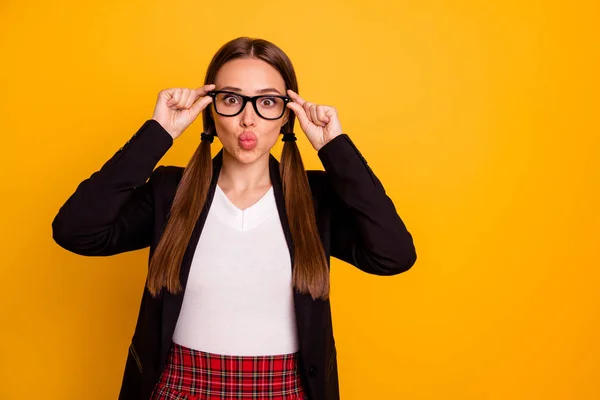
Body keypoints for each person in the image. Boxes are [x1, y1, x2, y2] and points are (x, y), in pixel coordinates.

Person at [52, 37, 417, 400]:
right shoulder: (171, 191)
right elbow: (76, 231)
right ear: (210, 111)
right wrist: (159, 132)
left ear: (288, 114)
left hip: (286, 391)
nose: (248, 119)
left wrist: (333, 146)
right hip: (180, 389)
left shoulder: (314, 198)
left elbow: (393, 255)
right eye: (231, 99)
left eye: (267, 102)